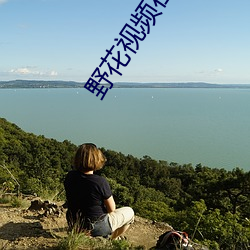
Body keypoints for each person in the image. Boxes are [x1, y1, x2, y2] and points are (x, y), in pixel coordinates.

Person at [64, 143, 134, 239]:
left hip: (74, 225)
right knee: (130, 212)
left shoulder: (70, 176)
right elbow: (112, 209)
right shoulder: (100, 182)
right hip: (95, 227)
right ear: (97, 160)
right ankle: (112, 239)